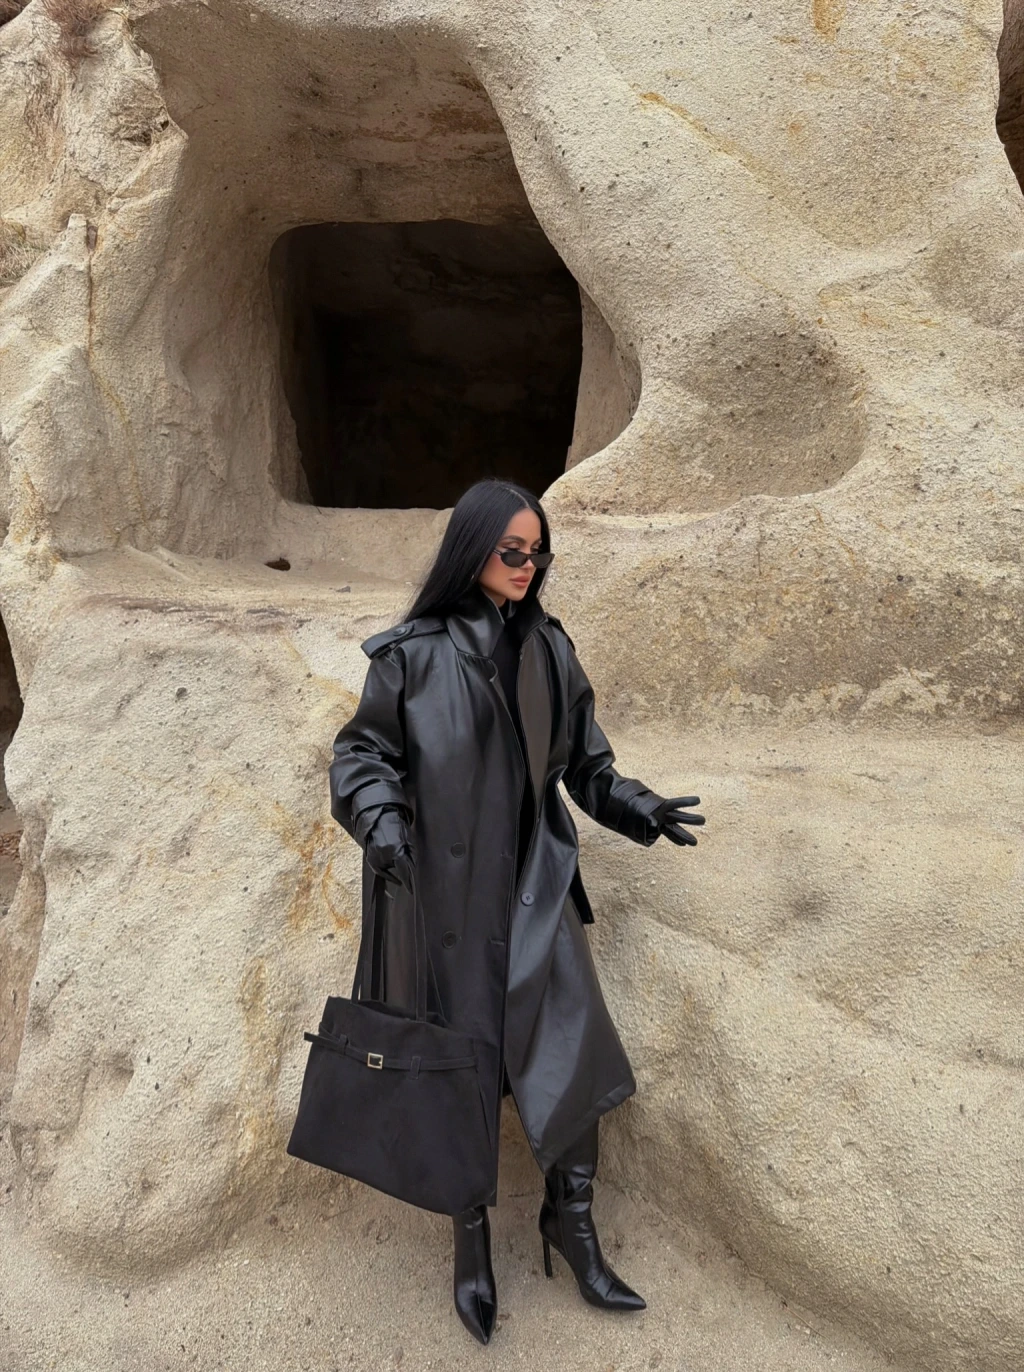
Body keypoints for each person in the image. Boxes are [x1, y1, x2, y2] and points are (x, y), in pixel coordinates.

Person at [328, 478, 704, 1344]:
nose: (528, 566)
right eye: (512, 551)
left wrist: (637, 805)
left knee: (570, 1049)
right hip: (445, 900)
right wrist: (383, 825)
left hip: (536, 889)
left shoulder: (549, 650)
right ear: (473, 550)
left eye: (538, 553)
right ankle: (471, 1246)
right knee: (459, 1065)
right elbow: (361, 756)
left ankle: (572, 1228)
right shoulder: (410, 658)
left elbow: (587, 766)